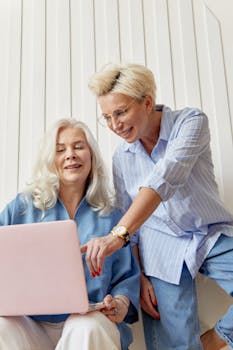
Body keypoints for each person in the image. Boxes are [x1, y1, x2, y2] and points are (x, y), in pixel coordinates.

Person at [81, 62, 233, 350]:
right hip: (161, 249)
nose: (115, 125)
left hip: (209, 234)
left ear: (147, 102)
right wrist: (141, 276)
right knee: (176, 346)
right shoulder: (122, 157)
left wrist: (116, 236)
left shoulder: (190, 122)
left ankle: (214, 340)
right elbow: (133, 226)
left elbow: (167, 175)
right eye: (107, 117)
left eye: (121, 112)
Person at [0, 118, 140, 350]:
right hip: (31, 326)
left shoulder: (113, 217)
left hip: (88, 320)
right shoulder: (23, 206)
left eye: (78, 147)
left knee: (86, 328)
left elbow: (127, 279)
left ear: (91, 156)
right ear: (50, 160)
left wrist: (119, 304)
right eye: (60, 149)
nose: (70, 154)